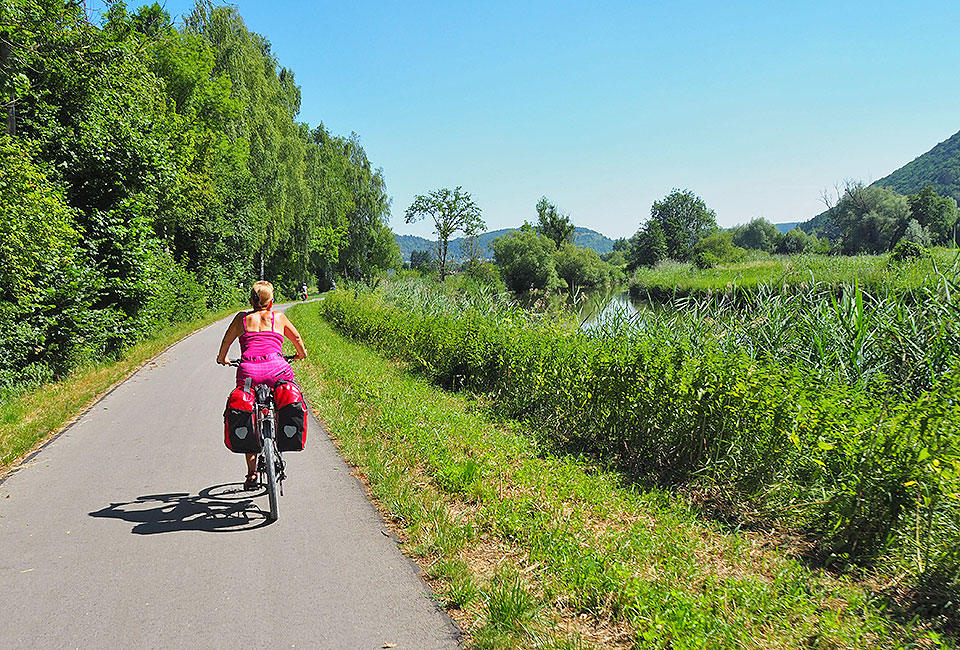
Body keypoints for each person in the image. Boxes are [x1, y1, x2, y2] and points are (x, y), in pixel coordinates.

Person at [217, 281, 307, 490]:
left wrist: (223, 358)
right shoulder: (279, 317)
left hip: (249, 372)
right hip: (278, 370)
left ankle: (251, 474)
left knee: (248, 414)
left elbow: (226, 342)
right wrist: (300, 354)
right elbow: (297, 339)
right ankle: (277, 435)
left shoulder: (241, 319)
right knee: (281, 402)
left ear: (250, 301)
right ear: (271, 302)